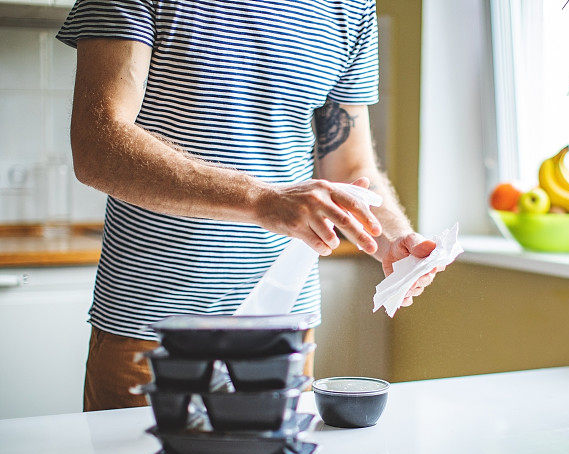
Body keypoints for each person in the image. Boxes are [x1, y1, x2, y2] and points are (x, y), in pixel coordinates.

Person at [57, 0, 440, 411]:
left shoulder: (350, 6)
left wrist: (395, 239)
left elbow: (350, 165)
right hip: (154, 327)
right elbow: (98, 143)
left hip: (282, 329)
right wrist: (262, 201)